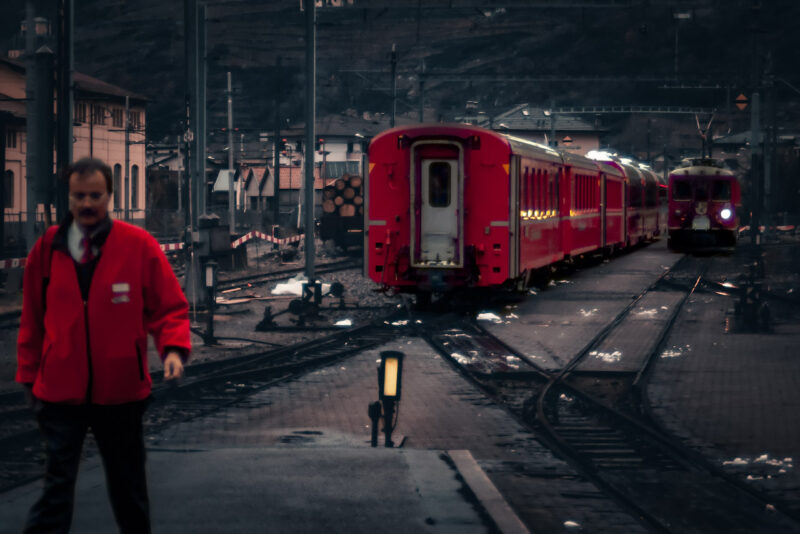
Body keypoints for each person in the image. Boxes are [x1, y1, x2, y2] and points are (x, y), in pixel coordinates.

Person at [16, 157, 191, 533]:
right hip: (61, 390)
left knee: (128, 489)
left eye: (95, 195)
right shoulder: (47, 250)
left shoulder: (138, 245)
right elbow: (32, 319)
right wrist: (29, 377)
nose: (87, 204)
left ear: (110, 196)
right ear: (69, 198)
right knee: (56, 491)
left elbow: (168, 306)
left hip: (121, 391)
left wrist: (173, 350)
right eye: (79, 196)